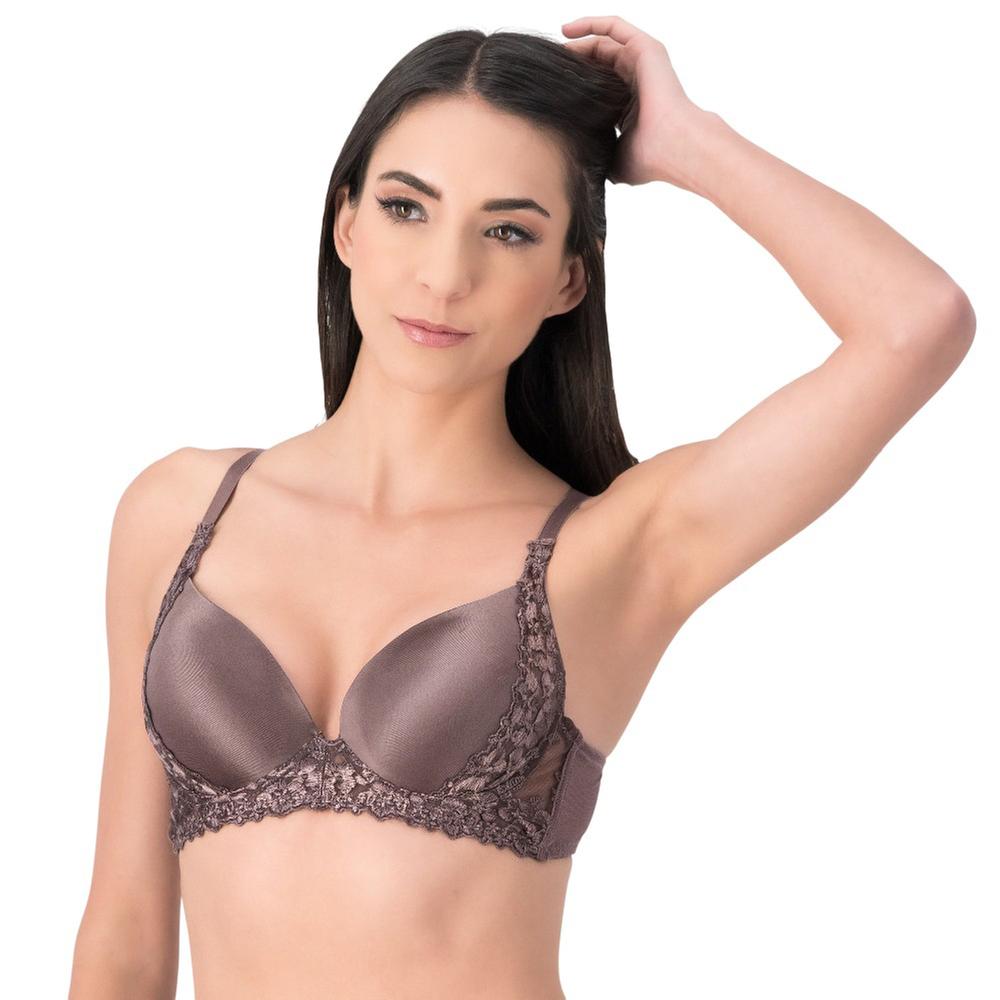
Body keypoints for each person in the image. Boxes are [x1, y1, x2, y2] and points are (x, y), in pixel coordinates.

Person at [68, 16, 975, 1000]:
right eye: (407, 208)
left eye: (508, 231)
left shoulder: (611, 552)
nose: (444, 275)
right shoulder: (177, 514)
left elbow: (914, 323)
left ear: (567, 279)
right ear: (346, 223)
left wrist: (687, 142)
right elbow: (122, 940)